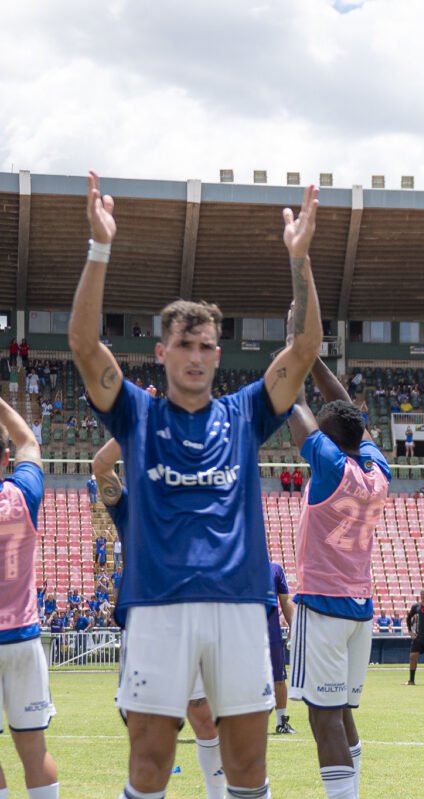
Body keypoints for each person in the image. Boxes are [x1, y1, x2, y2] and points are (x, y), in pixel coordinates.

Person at [70, 172, 322, 799]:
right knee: (150, 763)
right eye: (185, 344)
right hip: (157, 605)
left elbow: (307, 344)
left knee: (246, 768)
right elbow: (82, 343)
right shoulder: (136, 414)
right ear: (163, 352)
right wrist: (99, 249)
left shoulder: (246, 412)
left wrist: (300, 258)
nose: (197, 356)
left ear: (217, 354)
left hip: (240, 605)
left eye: (207, 345)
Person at [92, 438, 227, 799]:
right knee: (149, 739)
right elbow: (100, 467)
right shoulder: (130, 503)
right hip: (147, 628)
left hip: (193, 619)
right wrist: (132, 429)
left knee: (205, 719)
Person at [285, 355, 390, 798]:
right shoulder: (376, 470)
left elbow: (294, 407)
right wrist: (312, 359)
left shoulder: (328, 468)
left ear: (327, 440)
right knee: (342, 711)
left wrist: (294, 357)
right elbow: (345, 411)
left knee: (322, 717)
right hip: (359, 609)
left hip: (323, 606)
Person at [0, 395, 59, 798]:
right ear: (4, 461)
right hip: (22, 637)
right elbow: (29, 443)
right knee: (34, 751)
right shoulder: (21, 495)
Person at [268, 562, 295, 735]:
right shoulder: (238, 567)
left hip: (272, 632)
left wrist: (293, 628)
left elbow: (285, 600)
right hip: (244, 632)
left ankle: (281, 721)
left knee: (279, 678)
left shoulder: (275, 569)